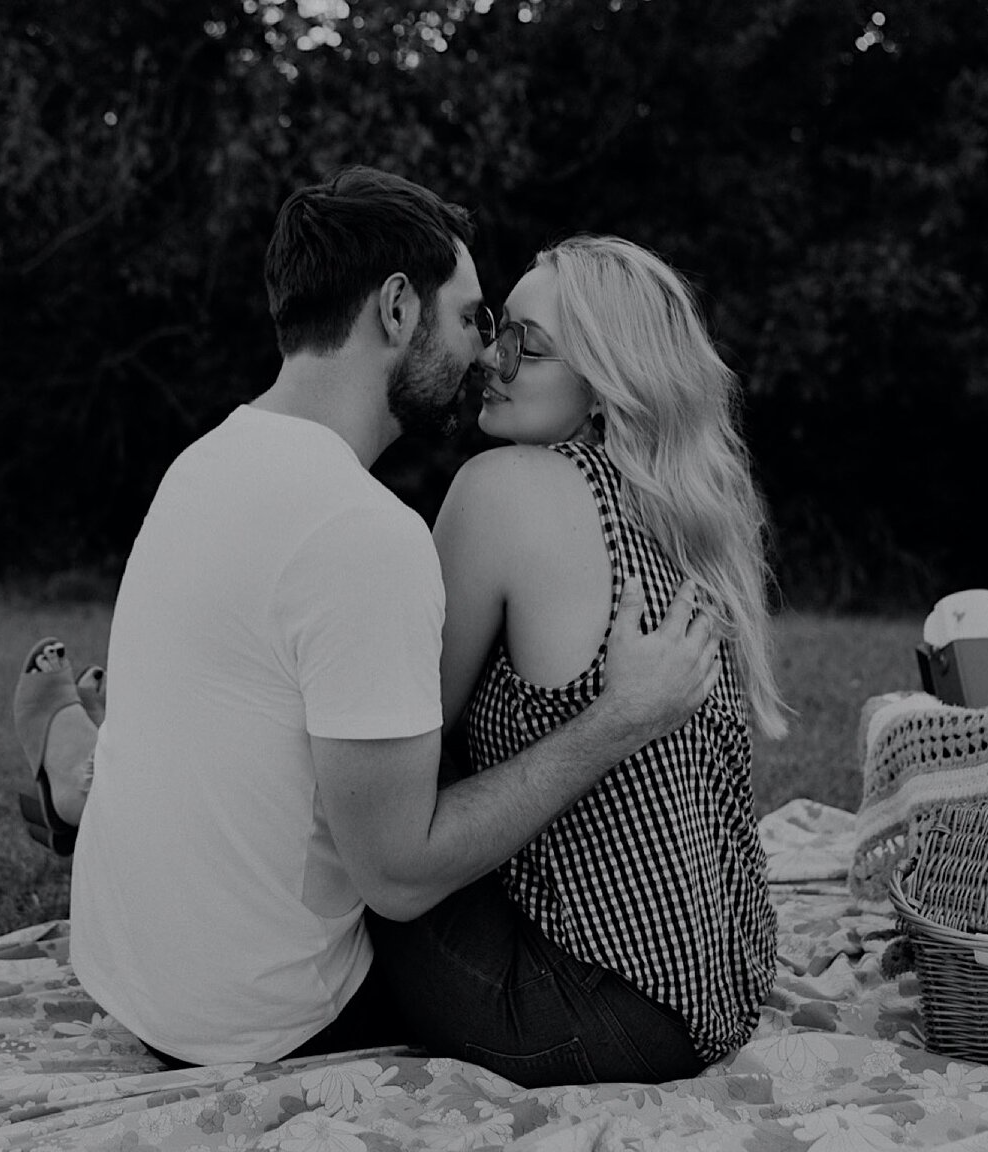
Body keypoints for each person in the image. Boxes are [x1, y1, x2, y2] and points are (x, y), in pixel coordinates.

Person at [48, 167, 722, 1071]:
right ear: (399, 309)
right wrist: (620, 719)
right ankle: (74, 777)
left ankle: (75, 778)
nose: (486, 354)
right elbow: (400, 878)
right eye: (474, 319)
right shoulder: (362, 533)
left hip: (142, 975)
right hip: (264, 1020)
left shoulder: (206, 460)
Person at [375, 235, 789, 1084]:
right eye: (498, 327)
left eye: (528, 341)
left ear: (606, 385)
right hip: (715, 998)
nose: (492, 356)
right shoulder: (693, 519)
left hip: (582, 1010)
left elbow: (404, 733)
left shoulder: (505, 489)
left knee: (351, 789)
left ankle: (120, 832)